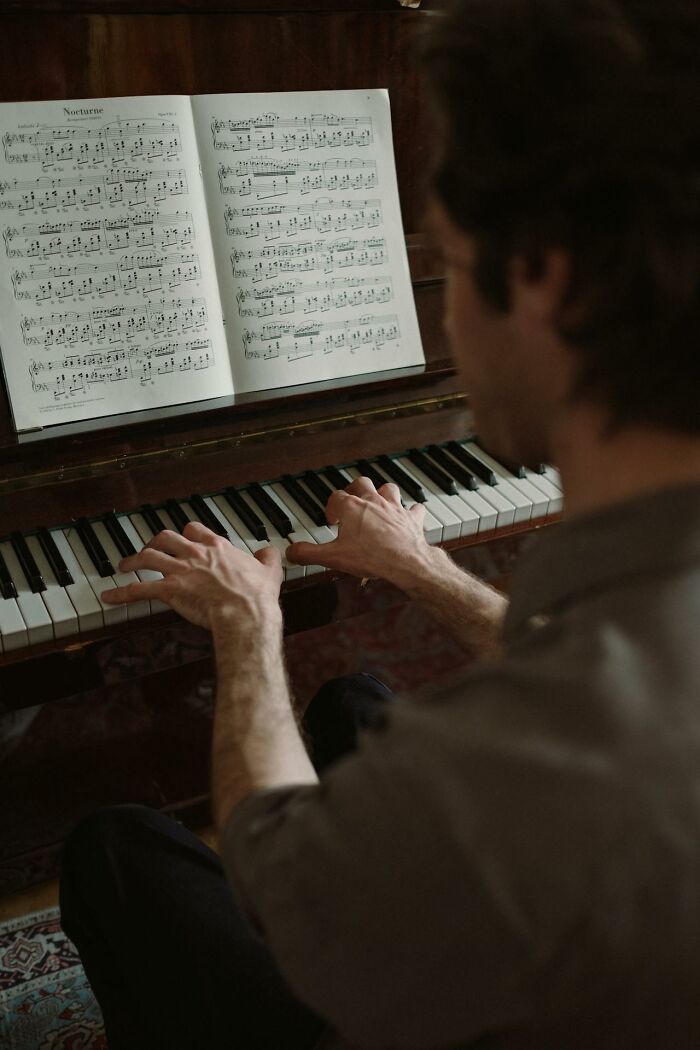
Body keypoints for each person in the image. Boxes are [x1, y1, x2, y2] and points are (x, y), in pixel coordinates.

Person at [60, 0, 700, 1046]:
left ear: (540, 281)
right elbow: (615, 676)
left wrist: (246, 631)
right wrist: (423, 567)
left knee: (117, 850)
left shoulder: (525, 760)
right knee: (358, 700)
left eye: (441, 256)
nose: (432, 309)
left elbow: (277, 878)